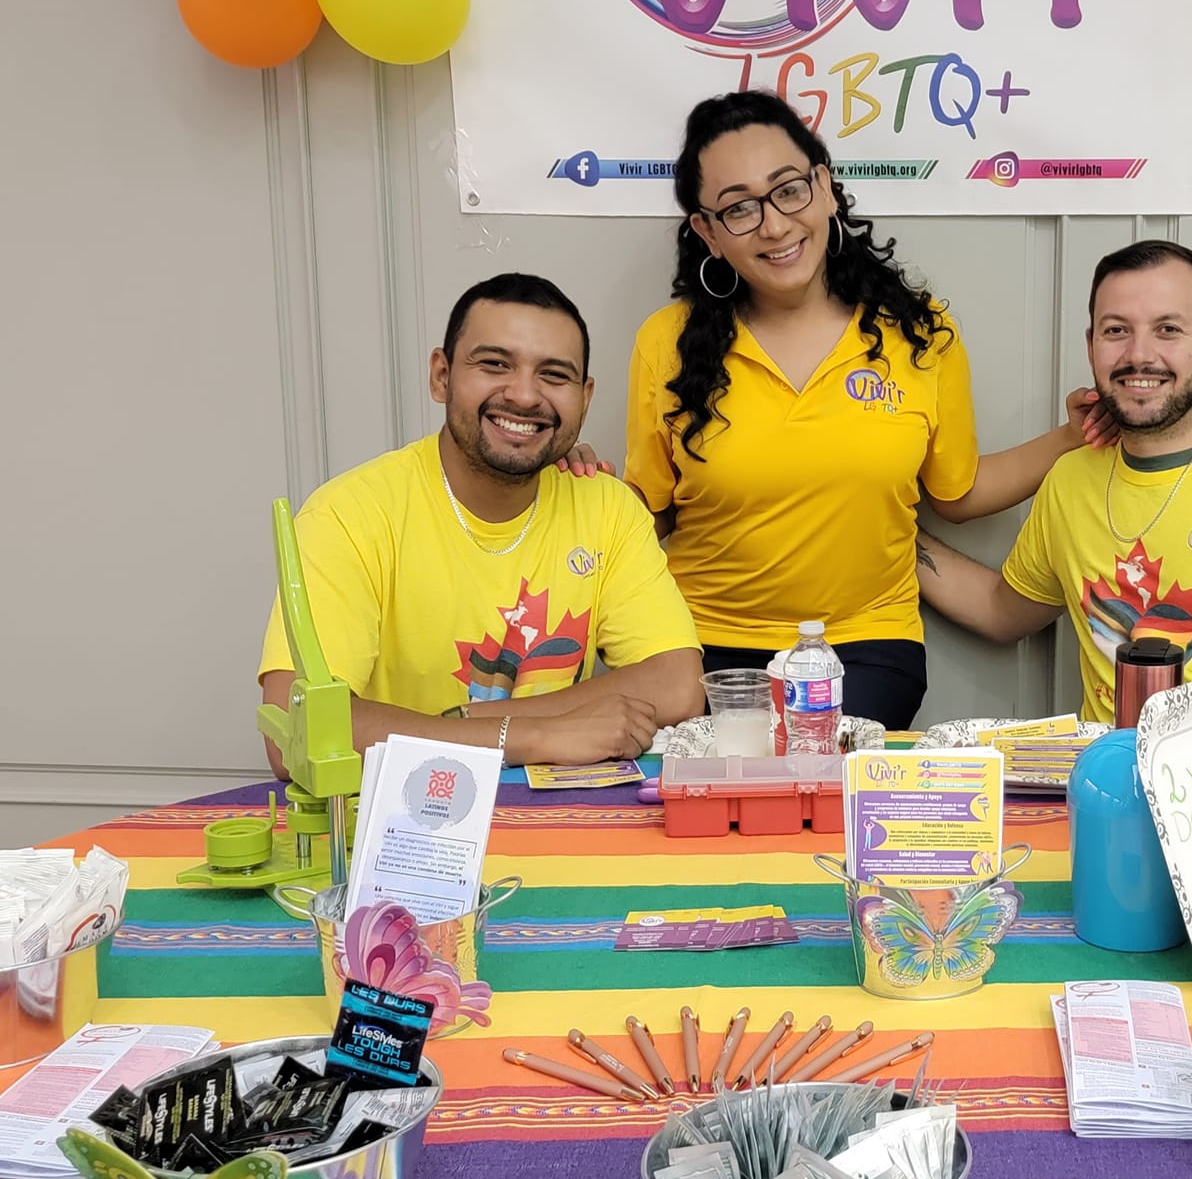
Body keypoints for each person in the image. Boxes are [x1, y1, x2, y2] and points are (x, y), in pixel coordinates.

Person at [624, 90, 1094, 729]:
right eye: (739, 209)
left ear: (824, 187)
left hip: (866, 644)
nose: (774, 224)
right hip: (705, 647)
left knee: (831, 807)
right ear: (707, 232)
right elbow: (641, 515)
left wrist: (1072, 437)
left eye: (789, 189)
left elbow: (956, 492)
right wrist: (561, 491)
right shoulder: (665, 343)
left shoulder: (919, 334)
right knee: (720, 815)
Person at [915, 240, 1192, 806]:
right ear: (1091, 346)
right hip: (1111, 812)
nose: (1140, 354)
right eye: (1116, 330)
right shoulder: (1069, 481)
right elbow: (1002, 609)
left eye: (1168, 329)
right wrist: (889, 533)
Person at [259, 274, 703, 770]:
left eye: (554, 375)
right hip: (396, 832)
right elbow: (294, 732)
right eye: (494, 365)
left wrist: (465, 722)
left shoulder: (608, 508)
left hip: (559, 826)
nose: (524, 395)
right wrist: (534, 737)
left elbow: (677, 684)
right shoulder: (350, 514)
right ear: (441, 376)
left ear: (585, 395)